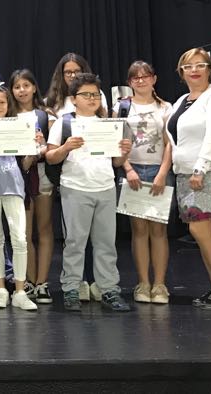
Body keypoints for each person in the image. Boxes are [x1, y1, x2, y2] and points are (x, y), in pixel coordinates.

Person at [45, 73, 133, 313]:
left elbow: (116, 162)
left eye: (95, 94)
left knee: (106, 243)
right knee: (74, 242)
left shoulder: (108, 124)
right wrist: (66, 147)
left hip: (105, 187)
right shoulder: (64, 123)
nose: (92, 99)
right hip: (75, 188)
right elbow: (50, 157)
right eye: (86, 94)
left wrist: (124, 152)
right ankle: (71, 289)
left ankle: (109, 290)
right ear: (74, 99)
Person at [165, 48, 211, 310]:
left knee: (201, 230)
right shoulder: (182, 100)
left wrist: (200, 168)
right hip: (185, 173)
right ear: (181, 72)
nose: (194, 70)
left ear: (209, 69)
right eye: (188, 66)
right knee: (201, 231)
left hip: (205, 172)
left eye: (200, 65)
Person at [113, 61, 174, 305]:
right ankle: (143, 283)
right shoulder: (122, 107)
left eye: (145, 76)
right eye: (135, 78)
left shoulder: (165, 107)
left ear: (154, 79)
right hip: (133, 171)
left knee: (158, 230)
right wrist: (127, 169)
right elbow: (115, 140)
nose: (140, 80)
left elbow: (170, 142)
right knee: (138, 230)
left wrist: (162, 173)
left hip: (159, 170)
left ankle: (159, 284)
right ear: (129, 83)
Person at [0, 84, 39, 310]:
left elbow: (26, 164)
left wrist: (34, 147)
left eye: (2, 102)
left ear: (8, 104)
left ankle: (20, 291)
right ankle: (1, 288)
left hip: (14, 186)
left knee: (19, 238)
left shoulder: (18, 126)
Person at [9, 69, 56, 305]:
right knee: (24, 233)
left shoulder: (45, 115)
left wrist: (42, 146)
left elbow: (52, 147)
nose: (22, 91)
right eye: (17, 87)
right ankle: (28, 279)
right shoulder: (7, 116)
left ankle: (42, 282)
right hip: (17, 176)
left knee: (45, 229)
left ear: (34, 88)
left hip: (41, 175)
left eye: (26, 85)